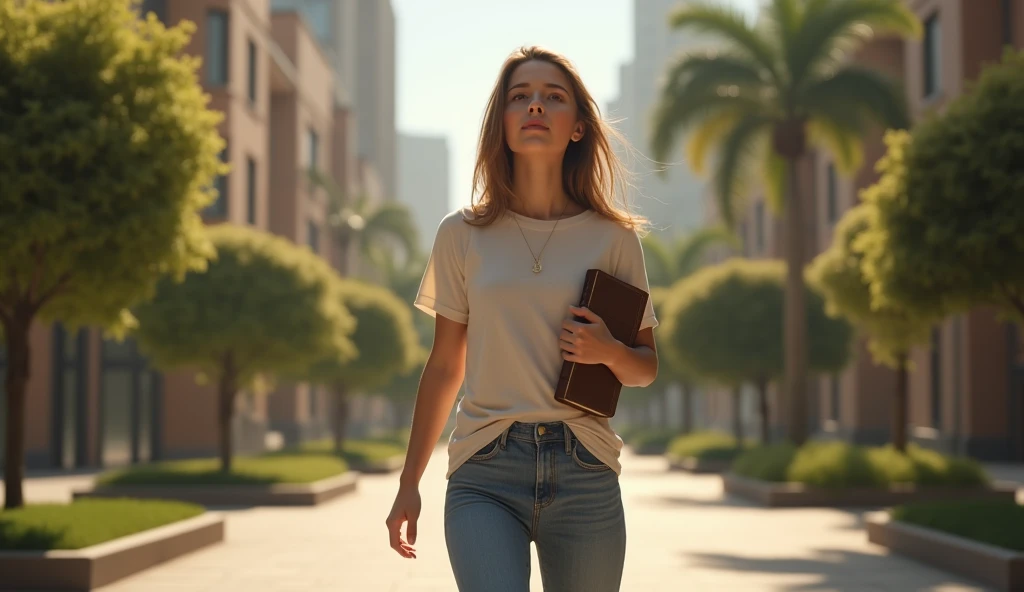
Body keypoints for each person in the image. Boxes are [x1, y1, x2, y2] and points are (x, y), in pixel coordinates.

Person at [385, 45, 659, 592]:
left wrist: (607, 350)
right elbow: (444, 365)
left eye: (553, 97)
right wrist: (409, 482)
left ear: (578, 127)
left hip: (585, 469)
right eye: (520, 97)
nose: (535, 105)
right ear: (503, 124)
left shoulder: (614, 238)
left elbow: (644, 368)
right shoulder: (460, 234)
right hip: (485, 470)